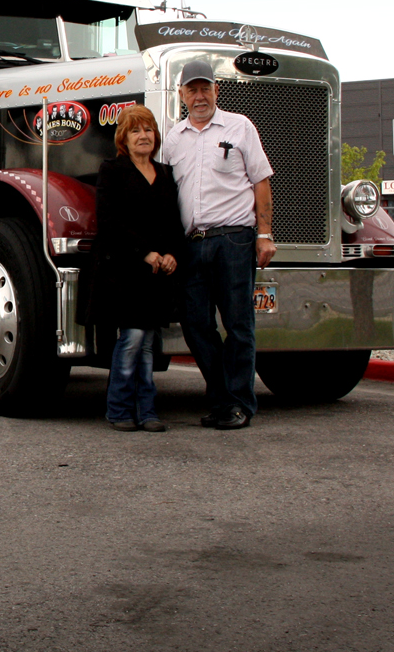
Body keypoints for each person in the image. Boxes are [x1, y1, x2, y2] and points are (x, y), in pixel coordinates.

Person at [161, 59, 276, 430]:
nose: (199, 96)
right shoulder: (173, 139)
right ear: (182, 95)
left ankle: (238, 404)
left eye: (205, 88)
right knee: (195, 325)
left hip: (234, 239)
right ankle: (224, 398)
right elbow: (165, 192)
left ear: (216, 90)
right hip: (191, 244)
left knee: (239, 324)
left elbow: (261, 181)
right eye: (192, 90)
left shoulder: (240, 127)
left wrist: (264, 234)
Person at [89, 105, 185, 432]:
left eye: (148, 130)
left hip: (157, 274)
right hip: (124, 270)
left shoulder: (166, 174)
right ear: (124, 138)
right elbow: (109, 221)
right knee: (132, 338)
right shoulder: (112, 170)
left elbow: (175, 222)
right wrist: (145, 253)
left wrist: (172, 254)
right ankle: (118, 410)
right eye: (135, 130)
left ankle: (147, 412)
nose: (143, 136)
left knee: (147, 343)